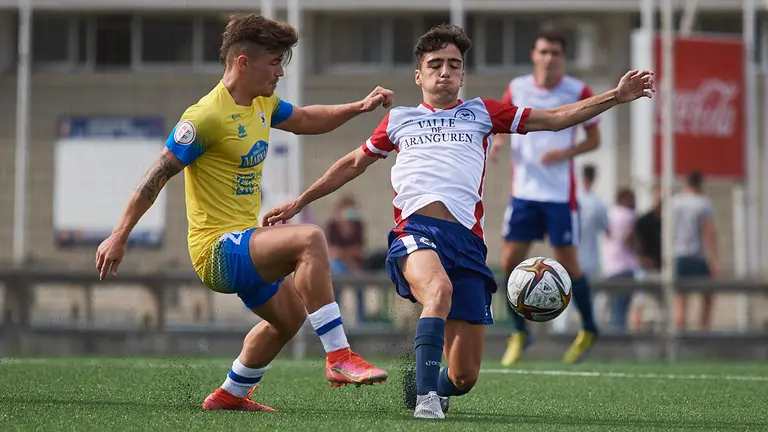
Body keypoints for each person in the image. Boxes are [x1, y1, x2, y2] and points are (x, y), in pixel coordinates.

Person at [262, 24, 655, 420]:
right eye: (435, 64)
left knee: (465, 375)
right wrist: (299, 201)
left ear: (463, 74)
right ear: (419, 75)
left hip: (467, 244)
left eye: (454, 64)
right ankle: (427, 402)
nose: (444, 71)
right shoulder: (399, 119)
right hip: (416, 234)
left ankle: (429, 383)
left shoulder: (482, 112)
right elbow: (351, 164)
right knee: (438, 290)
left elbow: (553, 119)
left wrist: (616, 97)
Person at [94, 13, 392, 412]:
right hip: (215, 250)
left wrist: (359, 106)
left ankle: (230, 394)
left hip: (245, 242)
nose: (281, 73)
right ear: (242, 62)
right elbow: (154, 179)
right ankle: (339, 357)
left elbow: (306, 119)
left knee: (288, 319)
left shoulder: (263, 103)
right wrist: (119, 235)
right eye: (275, 62)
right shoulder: (204, 118)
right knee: (309, 238)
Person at [489, 30, 604, 366]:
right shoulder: (518, 86)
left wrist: (566, 152)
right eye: (543, 51)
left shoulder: (577, 91)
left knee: (570, 266)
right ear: (533, 54)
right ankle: (518, 331)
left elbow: (594, 139)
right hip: (523, 193)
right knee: (509, 262)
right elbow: (502, 122)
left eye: (555, 52)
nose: (549, 57)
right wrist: (497, 142)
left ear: (562, 58)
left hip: (558, 196)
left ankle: (590, 328)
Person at [550, 164, 608, 333]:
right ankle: (591, 332)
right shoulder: (598, 203)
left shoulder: (572, 200)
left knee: (564, 295)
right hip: (592, 259)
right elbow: (606, 228)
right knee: (592, 298)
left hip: (571, 257)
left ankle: (560, 333)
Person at [673, 171, 720, 330]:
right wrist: (714, 260)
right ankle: (703, 332)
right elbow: (708, 232)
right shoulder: (703, 204)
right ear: (700, 184)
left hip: (679, 255)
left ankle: (679, 335)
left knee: (681, 299)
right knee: (707, 296)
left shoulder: (675, 202)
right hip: (697, 256)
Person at [602, 188, 639, 331]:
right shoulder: (629, 216)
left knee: (613, 309)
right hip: (625, 267)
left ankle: (613, 339)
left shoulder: (609, 214)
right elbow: (630, 241)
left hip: (610, 267)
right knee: (622, 311)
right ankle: (619, 341)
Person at [326, 196, 367, 321]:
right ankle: (335, 319)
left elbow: (359, 251)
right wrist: (348, 254)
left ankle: (361, 321)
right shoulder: (332, 226)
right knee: (337, 280)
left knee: (360, 284)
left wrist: (344, 253)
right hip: (339, 265)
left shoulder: (358, 225)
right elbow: (333, 252)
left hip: (354, 265)